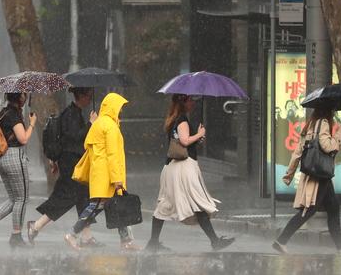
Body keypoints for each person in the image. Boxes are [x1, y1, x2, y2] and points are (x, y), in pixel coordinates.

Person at [146, 94, 234, 253]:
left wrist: (197, 139)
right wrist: (199, 134)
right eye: (190, 100)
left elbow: (182, 140)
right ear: (183, 102)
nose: (193, 103)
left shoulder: (173, 119)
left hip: (171, 167)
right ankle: (214, 241)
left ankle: (153, 242)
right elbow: (185, 141)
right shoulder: (182, 120)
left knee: (165, 204)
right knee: (197, 202)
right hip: (184, 167)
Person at [272, 106, 341, 254]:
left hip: (317, 174)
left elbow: (298, 151)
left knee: (333, 207)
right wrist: (339, 133)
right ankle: (281, 240)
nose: (333, 113)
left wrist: (289, 174)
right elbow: (327, 147)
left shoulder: (310, 124)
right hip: (320, 175)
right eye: (332, 110)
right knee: (309, 210)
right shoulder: (323, 123)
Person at [64, 92, 139, 251]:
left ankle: (126, 241)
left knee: (118, 205)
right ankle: (72, 233)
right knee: (98, 206)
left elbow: (88, 146)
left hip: (100, 174)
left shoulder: (99, 123)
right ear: (113, 107)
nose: (121, 111)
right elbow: (112, 155)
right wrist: (117, 179)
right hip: (109, 176)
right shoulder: (110, 127)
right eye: (120, 107)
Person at [27, 87, 99, 246]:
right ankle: (35, 226)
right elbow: (75, 138)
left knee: (82, 198)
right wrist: (91, 124)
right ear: (80, 96)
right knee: (66, 198)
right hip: (70, 164)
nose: (89, 99)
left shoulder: (75, 113)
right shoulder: (70, 114)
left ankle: (86, 237)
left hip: (73, 163)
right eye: (88, 96)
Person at [0, 92, 37, 248]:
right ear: (19, 97)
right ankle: (16, 236)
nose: (26, 97)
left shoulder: (2, 112)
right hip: (14, 157)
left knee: (13, 198)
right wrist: (32, 124)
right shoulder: (13, 115)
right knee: (22, 199)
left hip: (1, 158)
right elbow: (23, 138)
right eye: (24, 95)